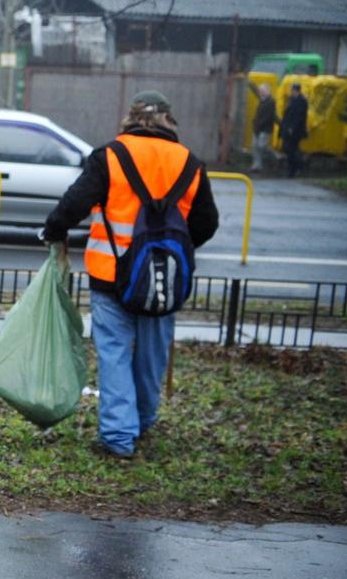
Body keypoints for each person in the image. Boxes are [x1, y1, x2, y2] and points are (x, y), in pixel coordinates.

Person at [41, 90, 218, 459]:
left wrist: (54, 230)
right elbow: (206, 223)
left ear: (131, 118)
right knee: (153, 356)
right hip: (165, 281)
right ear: (169, 120)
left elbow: (73, 204)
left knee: (114, 355)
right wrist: (173, 250)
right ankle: (143, 420)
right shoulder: (190, 163)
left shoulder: (110, 156)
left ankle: (119, 437)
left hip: (111, 278)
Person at [280, 82, 310, 177]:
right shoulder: (292, 100)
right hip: (288, 128)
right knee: (290, 149)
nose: (291, 92)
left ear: (296, 90)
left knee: (292, 149)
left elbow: (299, 117)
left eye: (292, 90)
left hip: (296, 130)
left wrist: (292, 127)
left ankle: (295, 168)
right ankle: (296, 166)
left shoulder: (302, 101)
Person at [249, 82, 276, 175]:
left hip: (265, 128)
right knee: (254, 147)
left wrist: (259, 124)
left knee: (262, 145)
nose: (261, 92)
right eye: (261, 91)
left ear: (268, 91)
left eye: (263, 90)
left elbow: (269, 116)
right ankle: (256, 165)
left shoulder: (271, 101)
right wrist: (255, 122)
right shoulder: (261, 101)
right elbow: (258, 114)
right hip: (258, 127)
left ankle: (273, 156)